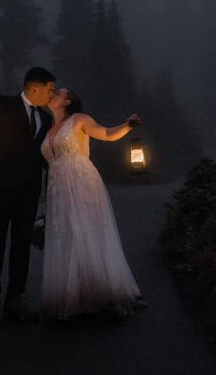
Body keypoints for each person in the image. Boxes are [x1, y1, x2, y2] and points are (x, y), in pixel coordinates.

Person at [40, 87, 145, 320]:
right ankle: (74, 295)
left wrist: (127, 125)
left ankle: (100, 291)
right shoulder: (48, 130)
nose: (52, 94)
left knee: (86, 231)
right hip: (58, 187)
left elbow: (106, 134)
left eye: (58, 92)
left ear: (68, 101)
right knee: (66, 235)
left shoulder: (79, 120)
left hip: (81, 181)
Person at [0, 67, 56, 328]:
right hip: (1, 185)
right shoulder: (3, 104)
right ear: (34, 88)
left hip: (29, 189)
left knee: (22, 243)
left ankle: (15, 298)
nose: (51, 95)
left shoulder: (46, 118)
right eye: (49, 90)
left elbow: (43, 155)